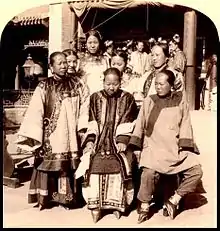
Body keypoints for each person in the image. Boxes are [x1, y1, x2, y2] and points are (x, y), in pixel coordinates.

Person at [15, 51, 90, 210]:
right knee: (49, 163)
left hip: (70, 133)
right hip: (51, 134)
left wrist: (82, 126)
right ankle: (46, 198)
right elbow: (36, 110)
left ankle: (66, 199)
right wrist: (35, 134)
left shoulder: (77, 84)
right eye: (60, 63)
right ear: (51, 66)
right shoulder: (44, 85)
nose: (65, 66)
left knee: (66, 165)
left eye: (66, 62)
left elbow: (85, 106)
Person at [128, 70, 203, 223]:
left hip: (173, 148)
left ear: (171, 85)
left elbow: (185, 124)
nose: (158, 87)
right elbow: (140, 124)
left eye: (162, 84)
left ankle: (174, 199)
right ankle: (144, 205)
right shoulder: (149, 100)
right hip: (153, 147)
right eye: (156, 84)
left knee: (196, 171)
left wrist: (185, 147)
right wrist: (136, 146)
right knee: (148, 173)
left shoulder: (180, 99)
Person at [76, 67, 138, 223]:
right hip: (99, 141)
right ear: (103, 82)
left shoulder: (127, 98)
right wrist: (90, 142)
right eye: (108, 83)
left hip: (118, 141)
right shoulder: (95, 97)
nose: (111, 87)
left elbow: (128, 121)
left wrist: (123, 140)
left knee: (120, 164)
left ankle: (117, 205)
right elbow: (92, 122)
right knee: (93, 163)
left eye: (115, 84)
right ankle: (96, 206)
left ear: (120, 82)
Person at [79, 29, 108, 94]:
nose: (92, 46)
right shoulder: (80, 61)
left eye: (95, 42)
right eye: (89, 43)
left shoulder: (105, 60)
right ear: (86, 44)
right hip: (85, 94)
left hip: (101, 93)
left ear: (99, 43)